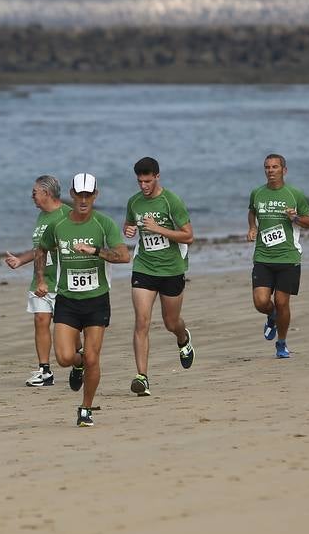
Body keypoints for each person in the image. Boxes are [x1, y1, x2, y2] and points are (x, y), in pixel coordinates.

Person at [33, 173, 130, 427]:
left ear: (95, 195)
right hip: (67, 299)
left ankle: (86, 408)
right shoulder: (59, 225)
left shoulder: (104, 224)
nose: (84, 200)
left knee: (93, 358)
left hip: (97, 300)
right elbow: (41, 250)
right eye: (80, 195)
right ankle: (77, 366)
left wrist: (96, 251)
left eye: (89, 195)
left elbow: (123, 256)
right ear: (72, 195)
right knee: (65, 357)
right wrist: (41, 279)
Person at [122, 157, 195, 397]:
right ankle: (142, 377)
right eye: (139, 181)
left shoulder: (171, 201)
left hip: (172, 269)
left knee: (170, 322)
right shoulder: (133, 202)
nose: (143, 185)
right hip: (144, 267)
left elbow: (188, 236)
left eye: (147, 181)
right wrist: (128, 230)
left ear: (157, 177)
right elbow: (129, 225)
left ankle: (183, 338)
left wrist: (158, 229)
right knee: (142, 321)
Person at [3, 176, 70, 387]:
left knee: (68, 328)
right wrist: (20, 260)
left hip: (63, 281)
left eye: (34, 192)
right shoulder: (42, 217)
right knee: (40, 320)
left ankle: (79, 360)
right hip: (41, 279)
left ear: (46, 193)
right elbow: (39, 249)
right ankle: (45, 371)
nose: (32, 196)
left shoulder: (67, 215)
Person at [247, 153, 309, 359]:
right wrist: (252, 227)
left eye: (275, 167)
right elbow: (252, 211)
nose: (270, 171)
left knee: (283, 302)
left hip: (288, 258)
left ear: (284, 170)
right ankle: (271, 315)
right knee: (260, 302)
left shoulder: (295, 194)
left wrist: (295, 218)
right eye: (267, 167)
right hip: (263, 257)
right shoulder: (257, 193)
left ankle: (282, 343)